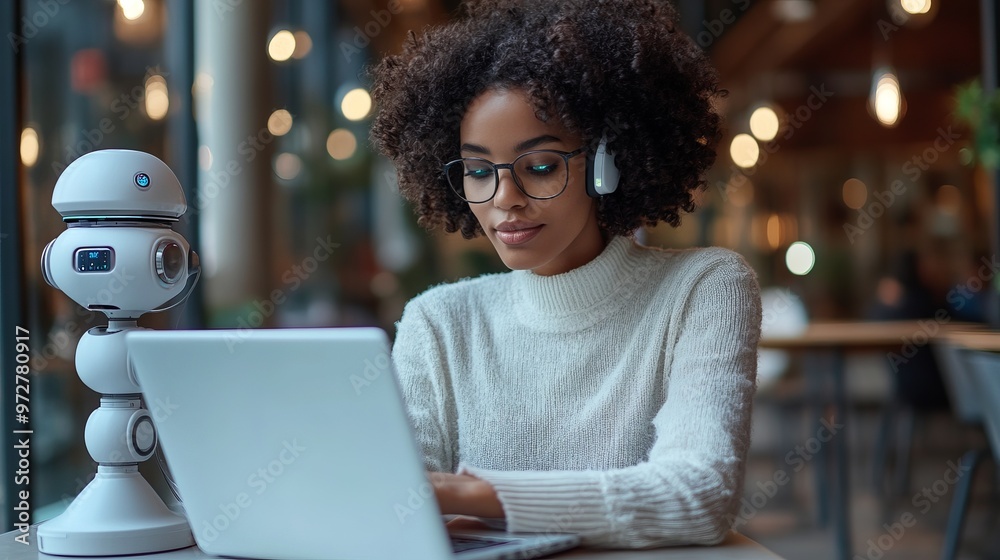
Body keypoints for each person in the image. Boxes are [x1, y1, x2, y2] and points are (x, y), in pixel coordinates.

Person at [370, 0, 761, 548]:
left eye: (541, 166)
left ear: (608, 161)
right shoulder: (438, 323)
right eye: (479, 171)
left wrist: (474, 496)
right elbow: (389, 504)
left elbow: (700, 494)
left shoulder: (703, 288)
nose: (505, 199)